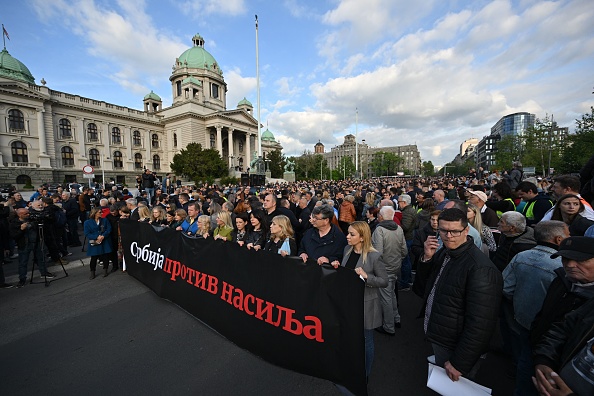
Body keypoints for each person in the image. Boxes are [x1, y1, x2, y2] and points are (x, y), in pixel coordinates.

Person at [418, 208, 502, 381]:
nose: (449, 236)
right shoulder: (444, 252)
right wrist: (427, 258)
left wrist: (460, 362)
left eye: (455, 231)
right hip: (442, 334)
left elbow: (481, 323)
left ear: (466, 231)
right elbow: (423, 287)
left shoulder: (481, 269)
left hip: (454, 344)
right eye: (443, 230)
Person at [502, 220, 570, 396]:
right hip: (550, 331)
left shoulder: (521, 257)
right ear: (557, 239)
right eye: (568, 235)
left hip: (522, 320)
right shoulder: (563, 266)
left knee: (525, 359)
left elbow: (506, 287)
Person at [330, 221, 387, 381]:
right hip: (347, 301)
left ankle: (365, 373)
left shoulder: (374, 256)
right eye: (348, 233)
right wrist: (337, 267)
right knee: (348, 336)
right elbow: (345, 274)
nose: (347, 237)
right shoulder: (347, 249)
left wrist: (367, 276)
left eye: (352, 234)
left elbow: (384, 281)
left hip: (365, 304)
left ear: (362, 238)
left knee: (366, 340)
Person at [371, 206, 407, 335]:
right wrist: (397, 261)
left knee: (385, 297)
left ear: (381, 216)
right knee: (391, 294)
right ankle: (396, 318)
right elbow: (404, 250)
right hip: (395, 266)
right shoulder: (399, 228)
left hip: (384, 268)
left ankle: (389, 326)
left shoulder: (379, 230)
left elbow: (377, 253)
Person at [9, 208, 55, 286]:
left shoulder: (33, 219)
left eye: (28, 213)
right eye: (25, 214)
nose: (28, 215)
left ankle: (44, 272)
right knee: (23, 262)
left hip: (36, 241)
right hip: (24, 244)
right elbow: (14, 236)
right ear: (20, 215)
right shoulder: (14, 223)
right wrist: (21, 229)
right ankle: (22, 278)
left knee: (41, 258)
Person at [84, 207, 113, 279]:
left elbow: (109, 229)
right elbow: (87, 233)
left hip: (104, 240)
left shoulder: (104, 220)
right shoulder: (87, 222)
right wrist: (96, 237)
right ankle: (92, 272)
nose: (101, 213)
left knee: (106, 256)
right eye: (100, 212)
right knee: (94, 257)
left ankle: (105, 270)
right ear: (95, 213)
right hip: (95, 241)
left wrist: (103, 236)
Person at [396, 194, 417, 290]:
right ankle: (407, 280)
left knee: (405, 261)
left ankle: (405, 282)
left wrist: (396, 225)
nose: (398, 203)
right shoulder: (409, 210)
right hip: (408, 237)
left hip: (406, 238)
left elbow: (405, 226)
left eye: (399, 202)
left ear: (404, 202)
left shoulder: (407, 212)